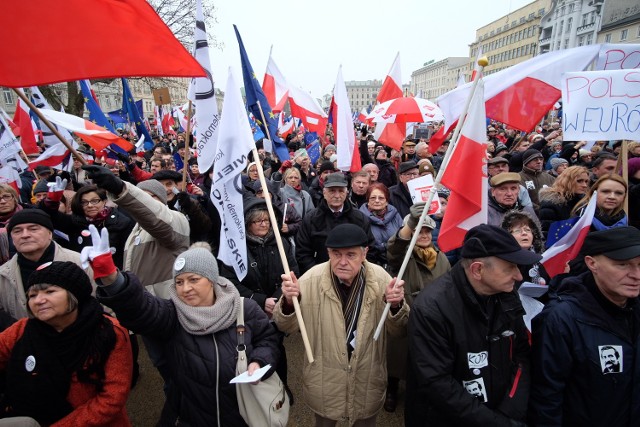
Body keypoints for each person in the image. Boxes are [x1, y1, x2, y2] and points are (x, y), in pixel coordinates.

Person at [92, 236, 281, 426]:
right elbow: (142, 308)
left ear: (212, 279)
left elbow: (268, 340)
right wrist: (113, 279)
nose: (185, 289)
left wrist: (259, 361)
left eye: (193, 279)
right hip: (190, 417)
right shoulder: (172, 315)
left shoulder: (244, 308)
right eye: (179, 282)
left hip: (243, 415)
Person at [274, 224, 408, 426]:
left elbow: (399, 329)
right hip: (324, 378)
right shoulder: (310, 280)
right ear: (328, 253)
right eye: (336, 254)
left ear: (364, 254)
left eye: (351, 255)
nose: (342, 262)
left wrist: (396, 305)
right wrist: (288, 302)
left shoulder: (381, 279)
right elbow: (285, 326)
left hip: (367, 377)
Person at [405, 224, 540, 426]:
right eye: (510, 267)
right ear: (478, 269)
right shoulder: (431, 309)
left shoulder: (506, 294)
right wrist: (495, 423)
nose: (519, 276)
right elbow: (437, 383)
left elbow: (520, 354)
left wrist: (510, 411)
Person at [529, 227, 640, 426]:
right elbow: (546, 399)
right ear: (592, 263)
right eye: (623, 265)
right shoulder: (561, 320)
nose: (636, 275)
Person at [0, 261, 132, 425]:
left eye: (50, 291)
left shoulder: (108, 332)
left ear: (74, 294)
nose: (39, 300)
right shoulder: (22, 330)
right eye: (32, 295)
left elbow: (111, 398)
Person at [219, 197, 299, 397]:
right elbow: (229, 282)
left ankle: (281, 386)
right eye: (258, 221)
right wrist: (260, 300)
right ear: (247, 224)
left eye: (267, 220)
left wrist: (278, 298)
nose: (264, 224)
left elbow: (292, 272)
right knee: (249, 349)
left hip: (276, 309)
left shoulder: (282, 245)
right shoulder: (235, 249)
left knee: (276, 348)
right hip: (248, 311)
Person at [384, 203, 450, 412]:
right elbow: (395, 249)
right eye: (418, 230)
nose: (423, 235)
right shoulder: (404, 257)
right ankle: (392, 389)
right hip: (406, 316)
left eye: (426, 230)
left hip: (433, 320)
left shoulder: (441, 258)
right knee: (398, 357)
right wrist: (411, 222)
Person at [0, 209, 95, 320]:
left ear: (50, 233)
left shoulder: (78, 262)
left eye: (33, 229)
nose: (25, 235)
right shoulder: (3, 274)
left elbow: (99, 304)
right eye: (17, 231)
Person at [295, 173, 376, 274]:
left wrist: (356, 273)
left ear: (346, 193)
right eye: (332, 191)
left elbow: (370, 249)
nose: (337, 195)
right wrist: (318, 275)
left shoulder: (359, 218)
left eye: (341, 191)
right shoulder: (311, 219)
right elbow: (302, 253)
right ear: (324, 193)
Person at [39, 184, 134, 270]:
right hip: (83, 275)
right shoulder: (74, 222)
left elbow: (128, 255)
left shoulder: (122, 223)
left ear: (104, 201)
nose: (89, 205)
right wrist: (52, 200)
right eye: (84, 202)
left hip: (112, 275)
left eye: (94, 201)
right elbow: (48, 216)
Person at [538, 165, 589, 237]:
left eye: (586, 181)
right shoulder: (550, 203)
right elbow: (548, 233)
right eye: (579, 181)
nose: (585, 185)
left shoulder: (585, 203)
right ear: (567, 181)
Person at [359, 183, 402, 267]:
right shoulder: (360, 218)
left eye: (381, 198)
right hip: (372, 264)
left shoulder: (395, 214)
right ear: (368, 201)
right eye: (373, 198)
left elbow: (402, 236)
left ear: (386, 201)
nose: (377, 201)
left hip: (396, 262)